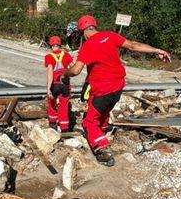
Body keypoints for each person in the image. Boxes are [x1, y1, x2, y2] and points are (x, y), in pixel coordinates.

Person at [61, 15, 171, 167]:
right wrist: (157, 50)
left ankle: (102, 149)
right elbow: (133, 45)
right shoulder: (110, 36)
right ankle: (103, 130)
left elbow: (76, 70)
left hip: (102, 88)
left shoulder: (88, 45)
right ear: (94, 26)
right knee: (103, 110)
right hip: (118, 86)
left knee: (89, 122)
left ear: (83, 32)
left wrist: (64, 74)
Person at [45, 36, 74, 132]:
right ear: (60, 45)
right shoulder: (66, 55)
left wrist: (49, 88)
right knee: (64, 106)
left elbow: (50, 72)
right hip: (65, 84)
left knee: (52, 103)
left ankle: (52, 122)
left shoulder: (49, 57)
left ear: (51, 46)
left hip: (55, 84)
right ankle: (64, 128)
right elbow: (73, 68)